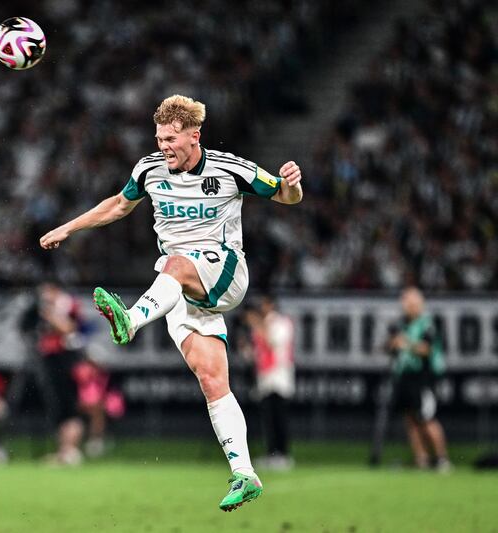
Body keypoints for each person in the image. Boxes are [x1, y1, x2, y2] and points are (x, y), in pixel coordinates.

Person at [40, 95, 303, 511]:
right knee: (212, 379)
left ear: (194, 136)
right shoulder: (148, 169)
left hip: (224, 272)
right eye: (159, 138)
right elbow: (118, 205)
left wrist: (292, 184)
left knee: (176, 262)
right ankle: (245, 472)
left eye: (171, 139)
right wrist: (69, 227)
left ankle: (131, 318)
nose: (164, 146)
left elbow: (286, 197)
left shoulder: (230, 169)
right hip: (179, 290)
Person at [21, 282, 89, 465]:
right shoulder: (41, 308)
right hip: (50, 361)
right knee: (57, 407)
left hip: (65, 360)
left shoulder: (67, 305)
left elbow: (71, 329)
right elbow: (25, 327)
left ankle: (71, 449)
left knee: (70, 407)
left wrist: (50, 315)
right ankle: (63, 450)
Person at [386, 286, 451, 471]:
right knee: (410, 418)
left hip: (423, 376)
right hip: (404, 375)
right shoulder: (401, 324)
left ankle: (441, 458)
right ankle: (421, 458)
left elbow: (426, 349)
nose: (405, 305)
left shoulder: (427, 324)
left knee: (427, 417)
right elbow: (390, 347)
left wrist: (404, 343)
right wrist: (391, 344)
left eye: (409, 302)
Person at [242, 297, 295, 470]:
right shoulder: (260, 325)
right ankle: (272, 454)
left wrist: (257, 325)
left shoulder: (281, 323)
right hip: (265, 377)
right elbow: (257, 353)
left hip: (279, 376)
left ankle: (283, 455)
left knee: (279, 417)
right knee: (268, 419)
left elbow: (273, 343)